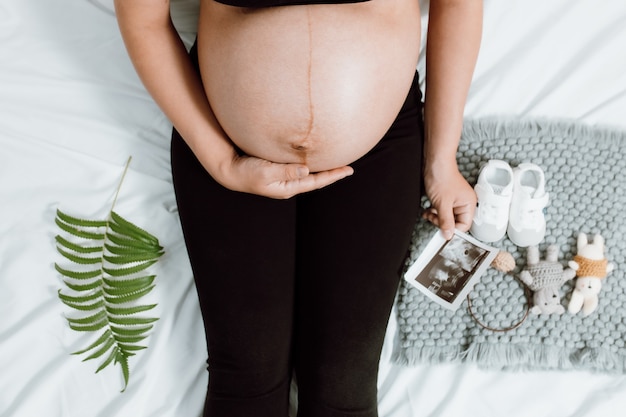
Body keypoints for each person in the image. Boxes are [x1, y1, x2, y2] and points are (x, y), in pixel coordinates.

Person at [114, 0, 482, 415]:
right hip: (222, 138)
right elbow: (143, 20)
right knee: (246, 380)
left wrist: (441, 162)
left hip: (379, 148)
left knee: (343, 387)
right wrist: (223, 163)